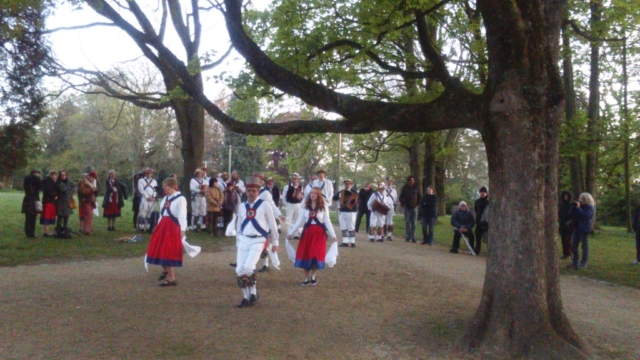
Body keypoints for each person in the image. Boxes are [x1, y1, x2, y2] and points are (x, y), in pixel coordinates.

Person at [234, 176, 279, 308]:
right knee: (239, 269)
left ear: (258, 191)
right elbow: (239, 226)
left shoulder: (265, 205)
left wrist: (275, 242)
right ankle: (246, 297)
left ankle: (253, 292)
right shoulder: (242, 206)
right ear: (246, 192)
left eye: (254, 190)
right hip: (244, 240)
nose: (251, 193)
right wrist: (237, 242)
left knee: (248, 267)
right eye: (249, 191)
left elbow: (272, 224)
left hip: (258, 240)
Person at [288, 187, 338, 286]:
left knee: (315, 255)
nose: (312, 195)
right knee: (305, 254)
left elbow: (327, 221)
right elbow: (299, 221)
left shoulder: (323, 206)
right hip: (307, 233)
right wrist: (291, 233)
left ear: (318, 195)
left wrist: (334, 235)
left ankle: (313, 275)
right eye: (311, 193)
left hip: (319, 234)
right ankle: (306, 278)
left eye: (315, 193)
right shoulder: (305, 206)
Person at [146, 177, 187, 286]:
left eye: (166, 186)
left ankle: (172, 278)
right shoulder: (165, 199)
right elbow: (161, 214)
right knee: (157, 249)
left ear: (173, 186)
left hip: (172, 227)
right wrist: (158, 226)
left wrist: (183, 228)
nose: (164, 189)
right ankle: (165, 271)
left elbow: (182, 214)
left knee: (167, 251)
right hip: (163, 227)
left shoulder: (180, 198)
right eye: (164, 187)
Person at [252, 171, 287, 272]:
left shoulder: (265, 193)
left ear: (262, 182)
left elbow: (272, 206)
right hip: (252, 220)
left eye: (258, 180)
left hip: (262, 222)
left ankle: (265, 264)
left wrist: (279, 215)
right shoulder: (251, 191)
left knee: (263, 243)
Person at [567, 192, 595, 270]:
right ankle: (574, 262)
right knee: (573, 245)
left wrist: (579, 208)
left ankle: (583, 263)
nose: (582, 200)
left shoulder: (590, 207)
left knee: (584, 246)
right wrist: (573, 206)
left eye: (584, 198)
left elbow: (585, 216)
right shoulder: (579, 206)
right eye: (581, 198)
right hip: (576, 228)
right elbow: (571, 215)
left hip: (584, 229)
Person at [333, 179, 358, 247]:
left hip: (351, 211)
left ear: (351, 184)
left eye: (348, 184)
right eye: (346, 184)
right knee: (343, 226)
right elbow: (334, 198)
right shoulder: (341, 192)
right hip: (343, 210)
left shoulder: (354, 192)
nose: (347, 185)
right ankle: (345, 241)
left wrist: (352, 203)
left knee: (351, 226)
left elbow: (357, 201)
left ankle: (352, 241)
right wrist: (339, 196)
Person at [399, 175, 422, 243]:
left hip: (414, 207)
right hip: (407, 207)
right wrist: (403, 205)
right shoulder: (404, 188)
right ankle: (407, 236)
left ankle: (413, 237)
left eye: (413, 180)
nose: (412, 182)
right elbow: (400, 197)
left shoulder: (416, 188)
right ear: (408, 181)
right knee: (407, 222)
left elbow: (420, 197)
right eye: (411, 180)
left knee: (414, 223)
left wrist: (418, 205)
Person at [282, 173, 304, 238]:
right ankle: (289, 233)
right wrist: (287, 204)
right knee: (289, 219)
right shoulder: (287, 186)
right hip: (290, 204)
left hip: (297, 204)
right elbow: (284, 196)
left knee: (297, 219)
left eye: (296, 179)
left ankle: (296, 234)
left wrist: (300, 204)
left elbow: (302, 196)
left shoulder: (300, 187)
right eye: (294, 178)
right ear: (292, 179)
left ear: (298, 179)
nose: (295, 180)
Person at [22, 170, 43, 238]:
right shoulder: (36, 179)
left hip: (28, 199)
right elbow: (41, 187)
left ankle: (29, 233)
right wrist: (37, 178)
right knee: (32, 217)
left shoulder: (26, 179)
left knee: (29, 217)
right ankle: (31, 233)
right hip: (34, 199)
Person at [78, 171, 98, 235]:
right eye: (93, 178)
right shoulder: (82, 182)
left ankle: (86, 229)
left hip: (91, 200)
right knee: (88, 215)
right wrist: (92, 190)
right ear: (90, 176)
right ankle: (87, 230)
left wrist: (95, 192)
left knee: (89, 215)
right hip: (85, 201)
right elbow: (83, 191)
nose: (93, 179)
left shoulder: (90, 182)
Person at [55, 171, 74, 235]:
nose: (63, 176)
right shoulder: (58, 183)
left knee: (67, 215)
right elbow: (62, 189)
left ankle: (65, 227)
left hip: (67, 200)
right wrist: (69, 189)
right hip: (60, 200)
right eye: (62, 175)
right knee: (60, 215)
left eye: (64, 175)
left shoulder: (69, 182)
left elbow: (74, 188)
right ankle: (59, 228)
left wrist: (70, 192)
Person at [40, 171, 59, 237]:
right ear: (52, 175)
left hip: (47, 201)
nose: (55, 177)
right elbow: (48, 191)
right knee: (47, 216)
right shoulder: (49, 182)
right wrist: (54, 195)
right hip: (49, 201)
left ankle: (46, 231)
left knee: (46, 216)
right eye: (55, 175)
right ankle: (46, 232)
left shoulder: (47, 181)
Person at [473, 186, 490, 255]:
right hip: (478, 221)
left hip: (486, 222)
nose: (482, 193)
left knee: (487, 237)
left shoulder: (488, 202)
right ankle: (477, 249)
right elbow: (476, 210)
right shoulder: (477, 201)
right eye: (481, 192)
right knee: (477, 236)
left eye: (484, 192)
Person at [558, 191, 573, 259]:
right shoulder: (562, 205)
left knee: (568, 240)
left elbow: (570, 215)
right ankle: (565, 253)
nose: (565, 197)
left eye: (566, 196)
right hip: (562, 224)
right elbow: (559, 213)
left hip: (568, 224)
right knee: (563, 239)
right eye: (564, 196)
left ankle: (569, 253)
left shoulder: (571, 205)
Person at [632, 198, 640, 265]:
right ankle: (637, 259)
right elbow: (635, 218)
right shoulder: (637, 209)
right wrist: (634, 226)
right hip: (638, 230)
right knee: (638, 245)